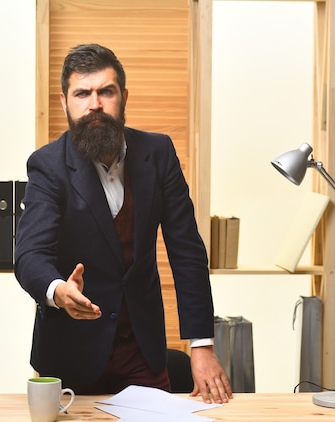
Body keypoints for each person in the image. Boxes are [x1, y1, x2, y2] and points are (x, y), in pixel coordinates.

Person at [14, 43, 232, 404]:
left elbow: (187, 253)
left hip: (141, 351)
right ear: (65, 102)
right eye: (82, 93)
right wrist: (57, 290)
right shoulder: (47, 166)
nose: (94, 104)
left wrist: (202, 345)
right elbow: (30, 254)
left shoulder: (159, 154)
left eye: (106, 91)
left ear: (123, 97)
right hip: (69, 354)